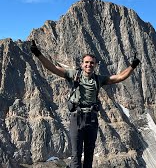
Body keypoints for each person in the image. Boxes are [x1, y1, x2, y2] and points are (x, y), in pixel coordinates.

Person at [30, 40, 140, 168]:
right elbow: (53, 68)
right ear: (82, 64)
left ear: (95, 65)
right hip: (77, 118)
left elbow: (120, 77)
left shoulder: (99, 79)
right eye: (86, 62)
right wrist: (38, 54)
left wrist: (132, 66)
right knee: (76, 156)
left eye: (91, 63)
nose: (89, 65)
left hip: (92, 120)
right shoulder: (74, 75)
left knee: (89, 155)